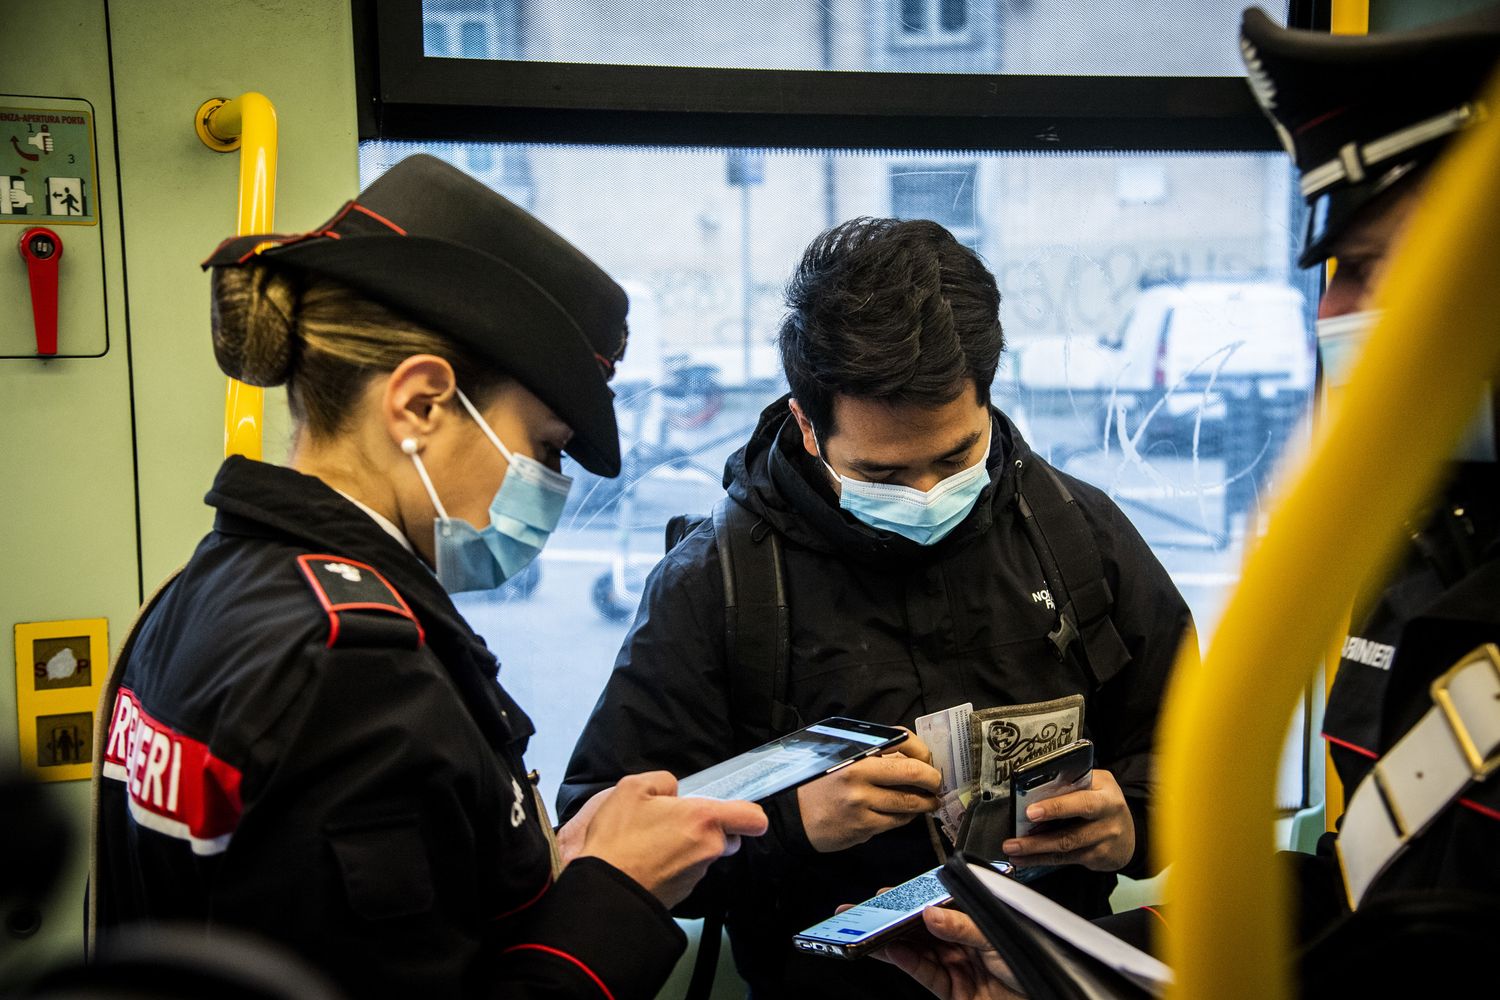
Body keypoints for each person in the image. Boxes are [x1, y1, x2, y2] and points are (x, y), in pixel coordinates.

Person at [880, 6, 1500, 996]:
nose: (1332, 315)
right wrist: (1094, 959)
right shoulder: (1427, 560)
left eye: (1373, 269)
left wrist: (1131, 824)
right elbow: (1364, 889)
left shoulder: (1081, 533)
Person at [91, 154, 768, 1000]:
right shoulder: (351, 659)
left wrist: (564, 863)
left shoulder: (207, 590)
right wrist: (617, 895)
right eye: (546, 445)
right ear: (420, 405)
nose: (552, 484)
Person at [559, 217, 1195, 997]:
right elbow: (601, 839)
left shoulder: (1076, 537)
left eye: (956, 457)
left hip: (1042, 979)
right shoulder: (716, 584)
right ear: (807, 423)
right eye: (883, 473)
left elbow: (1189, 749)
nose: (927, 495)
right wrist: (794, 828)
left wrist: (1132, 824)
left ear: (988, 402)